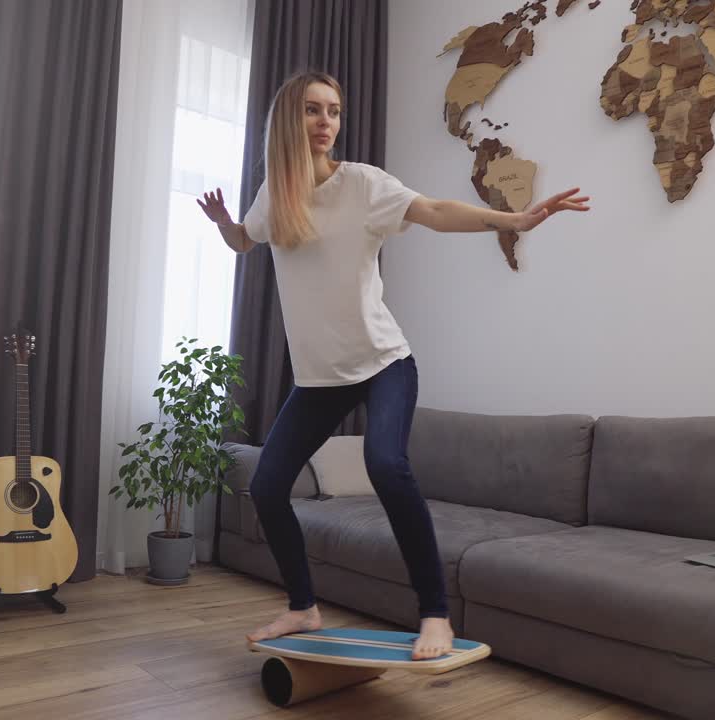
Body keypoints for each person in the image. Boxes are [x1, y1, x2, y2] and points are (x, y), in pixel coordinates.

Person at [196, 71, 590, 660]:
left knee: (385, 463)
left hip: (384, 362)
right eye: (312, 109)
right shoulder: (274, 195)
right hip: (319, 379)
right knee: (269, 487)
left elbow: (434, 210)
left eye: (334, 110)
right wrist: (224, 225)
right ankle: (303, 607)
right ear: (288, 119)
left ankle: (435, 614)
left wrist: (514, 221)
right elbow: (245, 241)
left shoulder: (362, 184)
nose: (326, 122)